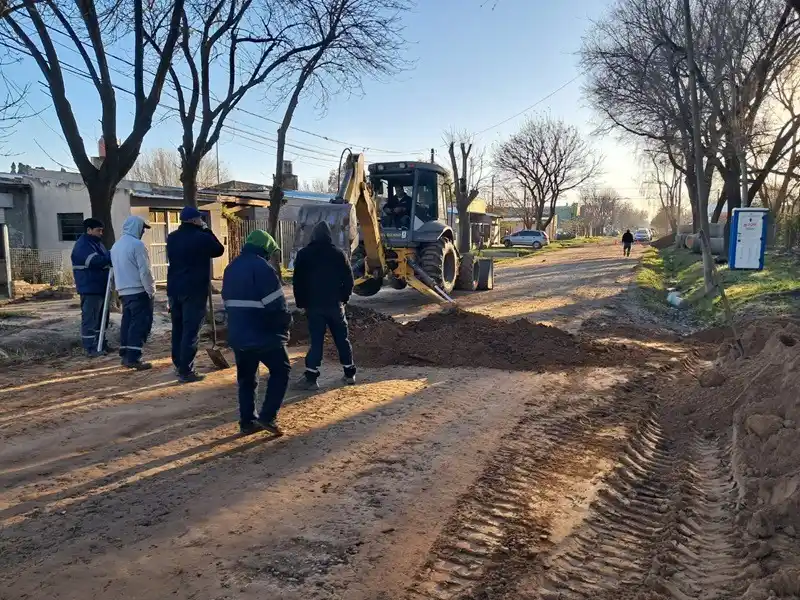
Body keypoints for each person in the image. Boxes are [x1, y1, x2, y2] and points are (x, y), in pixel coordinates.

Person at [222, 229, 291, 436]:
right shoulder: (263, 268)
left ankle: (247, 421)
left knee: (246, 378)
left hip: (238, 334)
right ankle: (268, 417)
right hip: (264, 333)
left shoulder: (231, 267)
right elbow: (277, 305)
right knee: (281, 370)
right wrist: (285, 324)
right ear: (265, 249)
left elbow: (227, 301)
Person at [292, 221, 356, 391]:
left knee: (316, 341)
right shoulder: (339, 254)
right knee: (342, 339)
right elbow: (349, 280)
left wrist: (301, 302)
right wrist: (344, 298)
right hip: (335, 305)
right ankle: (349, 373)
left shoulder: (304, 254)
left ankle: (311, 377)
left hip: (314, 306)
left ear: (313, 236)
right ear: (329, 236)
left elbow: (297, 281)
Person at [166, 206, 225, 383]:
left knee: (178, 328)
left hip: (175, 288)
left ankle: (179, 364)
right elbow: (219, 250)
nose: (201, 221)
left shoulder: (172, 237)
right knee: (191, 329)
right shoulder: (202, 237)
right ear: (194, 220)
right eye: (200, 218)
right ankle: (186, 370)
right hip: (194, 289)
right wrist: (207, 230)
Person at [111, 215, 155, 370]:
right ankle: (134, 357)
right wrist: (150, 289)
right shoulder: (137, 245)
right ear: (136, 227)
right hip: (138, 290)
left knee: (127, 323)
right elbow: (145, 271)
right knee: (140, 324)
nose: (143, 231)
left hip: (124, 291)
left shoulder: (116, 246)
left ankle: (125, 354)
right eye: (142, 228)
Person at [71, 218, 112, 357]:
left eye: (102, 230)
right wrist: (111, 255)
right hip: (90, 288)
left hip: (100, 287)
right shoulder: (83, 245)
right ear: (89, 230)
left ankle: (101, 344)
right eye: (98, 230)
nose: (101, 233)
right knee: (91, 319)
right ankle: (90, 348)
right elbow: (96, 261)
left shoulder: (96, 243)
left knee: (102, 318)